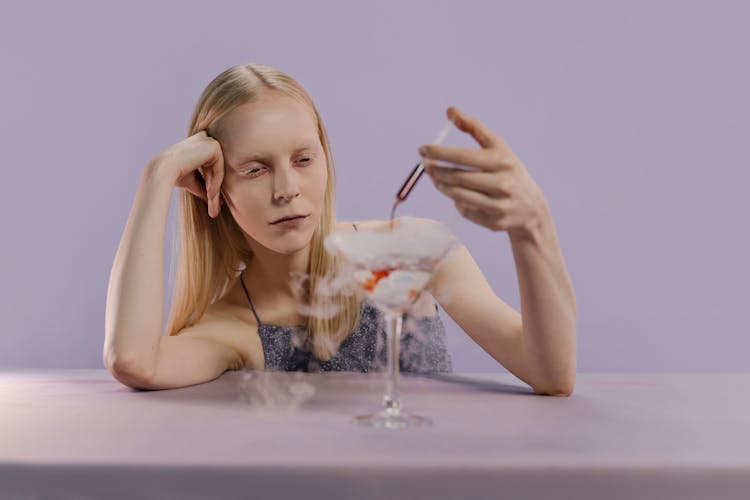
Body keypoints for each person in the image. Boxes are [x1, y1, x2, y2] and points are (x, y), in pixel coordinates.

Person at [103, 64, 577, 396]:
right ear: (215, 186)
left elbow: (551, 373)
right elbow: (134, 361)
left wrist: (532, 225)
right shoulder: (234, 329)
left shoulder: (409, 252)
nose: (286, 189)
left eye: (303, 159)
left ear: (325, 159)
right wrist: (158, 176)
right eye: (255, 169)